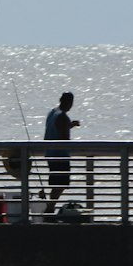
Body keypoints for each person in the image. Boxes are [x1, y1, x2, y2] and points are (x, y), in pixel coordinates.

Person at [43, 91, 80, 220]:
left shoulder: (53, 112)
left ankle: (50, 208)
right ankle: (49, 209)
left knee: (56, 184)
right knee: (60, 184)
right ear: (69, 103)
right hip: (59, 155)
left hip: (50, 153)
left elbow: (58, 129)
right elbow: (63, 136)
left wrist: (71, 125)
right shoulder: (63, 116)